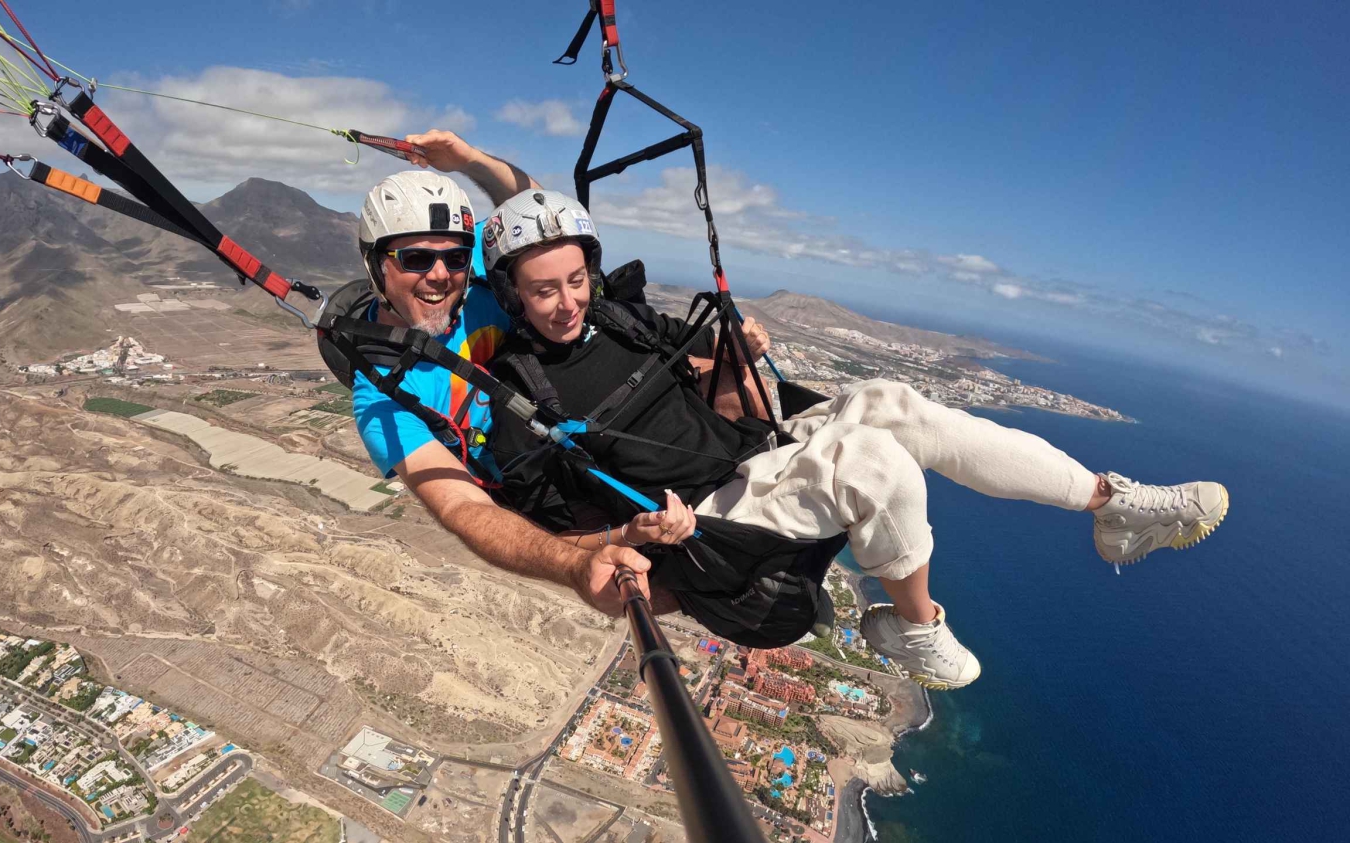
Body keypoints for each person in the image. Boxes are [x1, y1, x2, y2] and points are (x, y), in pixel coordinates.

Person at [474, 189, 1229, 689]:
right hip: (707, 524)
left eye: (576, 279)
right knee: (874, 463)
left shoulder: (618, 317)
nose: (568, 301)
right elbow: (552, 529)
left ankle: (1110, 504)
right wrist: (635, 530)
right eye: (544, 290)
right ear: (512, 292)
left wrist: (742, 348)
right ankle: (913, 628)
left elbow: (696, 351)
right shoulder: (518, 389)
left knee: (889, 400)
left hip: (752, 456)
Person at [319, 132, 655, 617]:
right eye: (414, 258)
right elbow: (461, 507)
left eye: (454, 257)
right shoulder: (381, 398)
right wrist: (573, 568)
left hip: (585, 422)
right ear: (376, 266)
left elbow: (542, 218)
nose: (439, 275)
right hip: (541, 489)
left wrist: (468, 160)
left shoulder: (479, 284)